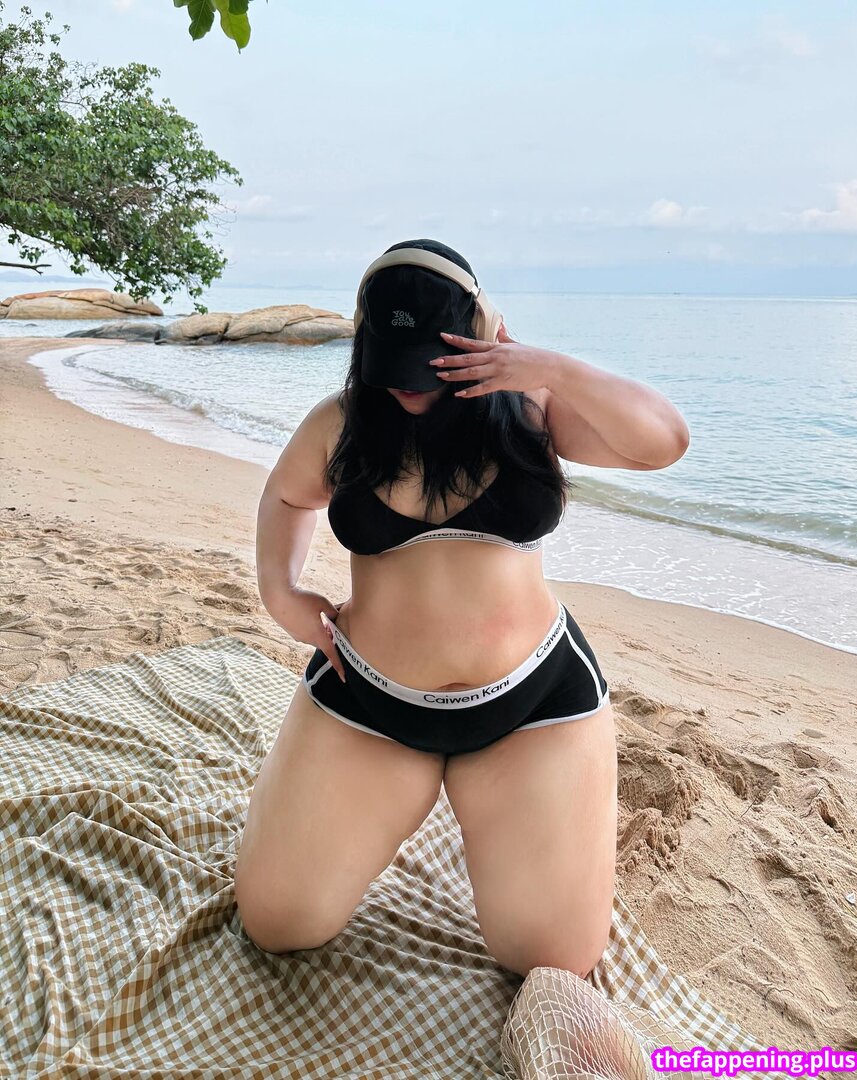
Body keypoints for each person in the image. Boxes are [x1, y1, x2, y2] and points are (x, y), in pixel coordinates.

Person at [234, 238, 690, 980]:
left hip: (533, 704)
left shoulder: (532, 409)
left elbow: (662, 443)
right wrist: (280, 592)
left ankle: (499, 826)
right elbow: (287, 498)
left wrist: (551, 368)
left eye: (428, 368)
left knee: (552, 960)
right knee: (278, 923)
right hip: (370, 699)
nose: (407, 388)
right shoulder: (343, 423)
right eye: (393, 367)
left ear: (477, 335)